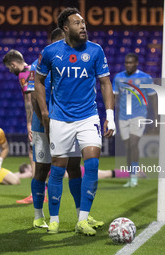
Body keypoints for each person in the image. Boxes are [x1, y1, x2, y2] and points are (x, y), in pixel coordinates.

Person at [35, 8, 116, 236]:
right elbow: (38, 81)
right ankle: (54, 219)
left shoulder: (96, 51)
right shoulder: (50, 52)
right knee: (58, 171)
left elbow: (106, 83)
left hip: (88, 117)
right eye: (77, 23)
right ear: (65, 28)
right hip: (60, 119)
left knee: (91, 165)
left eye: (84, 23)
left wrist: (109, 115)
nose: (83, 26)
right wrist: (44, 111)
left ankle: (82, 220)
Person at [29, 28, 103, 230]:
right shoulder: (40, 64)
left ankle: (83, 216)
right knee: (43, 169)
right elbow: (35, 96)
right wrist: (44, 121)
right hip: (44, 124)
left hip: (65, 122)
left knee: (73, 168)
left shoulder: (76, 57)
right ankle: (38, 216)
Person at [113, 53, 158, 187]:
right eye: (126, 63)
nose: (128, 65)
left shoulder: (145, 78)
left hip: (139, 115)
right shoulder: (118, 78)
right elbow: (115, 98)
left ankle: (134, 179)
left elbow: (153, 98)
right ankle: (132, 174)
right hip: (123, 117)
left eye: (131, 62)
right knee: (128, 148)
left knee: (133, 143)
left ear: (136, 63)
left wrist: (156, 117)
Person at [2, 48, 35, 197]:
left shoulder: (23, 75)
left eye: (9, 67)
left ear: (14, 64)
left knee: (33, 154)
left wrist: (29, 124)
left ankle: (38, 193)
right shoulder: (34, 69)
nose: (10, 70)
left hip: (38, 119)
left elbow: (29, 101)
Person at [14, 163, 131, 179]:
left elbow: (26, 174)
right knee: (105, 173)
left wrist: (16, 175)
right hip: (76, 170)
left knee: (106, 174)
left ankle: (133, 172)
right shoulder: (41, 167)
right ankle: (132, 172)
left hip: (78, 172)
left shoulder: (36, 170)